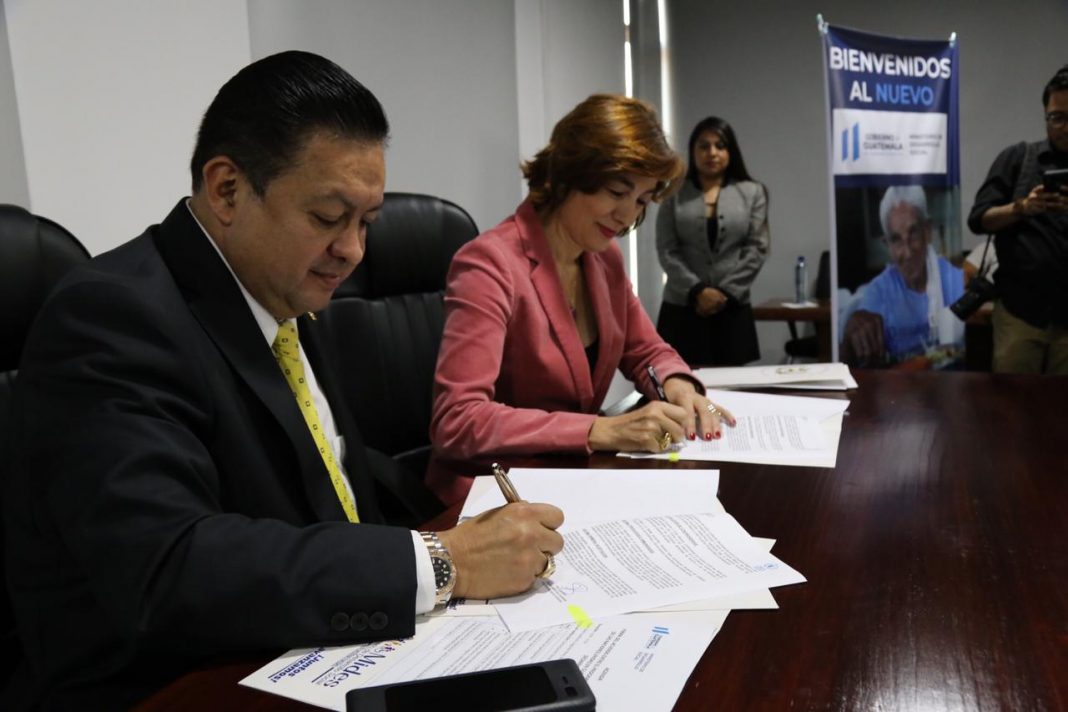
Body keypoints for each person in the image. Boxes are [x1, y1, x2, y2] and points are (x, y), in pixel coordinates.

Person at [3, 51, 563, 710]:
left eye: (366, 222)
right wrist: (443, 561)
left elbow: (327, 485)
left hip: (312, 644)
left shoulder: (282, 293)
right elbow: (168, 567)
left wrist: (459, 541)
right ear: (227, 190)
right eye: (328, 217)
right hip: (171, 685)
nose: (353, 250)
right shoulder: (111, 314)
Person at [429, 95, 735, 505]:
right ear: (569, 174)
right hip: (494, 492)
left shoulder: (603, 258)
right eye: (617, 191)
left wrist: (679, 386)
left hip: (570, 477)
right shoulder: (489, 264)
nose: (627, 215)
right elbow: (457, 419)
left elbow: (645, 350)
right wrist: (598, 429)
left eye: (641, 200)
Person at [966, 65, 1068, 374]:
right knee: (1013, 400)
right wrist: (1022, 207)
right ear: (1045, 116)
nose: (1065, 127)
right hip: (1021, 316)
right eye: (1057, 117)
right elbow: (979, 219)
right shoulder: (1018, 159)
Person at [655, 116, 770, 366]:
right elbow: (667, 250)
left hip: (732, 308)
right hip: (682, 308)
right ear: (693, 150)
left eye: (720, 145)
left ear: (731, 151)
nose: (712, 152)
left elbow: (757, 248)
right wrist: (698, 291)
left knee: (734, 386)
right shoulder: (673, 193)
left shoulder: (752, 192)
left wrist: (724, 294)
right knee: (679, 380)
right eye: (704, 146)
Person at [841, 185, 964, 366]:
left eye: (913, 234)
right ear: (887, 244)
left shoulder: (955, 281)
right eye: (896, 240)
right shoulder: (879, 292)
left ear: (927, 231)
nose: (907, 253)